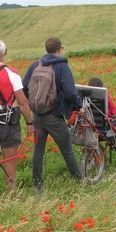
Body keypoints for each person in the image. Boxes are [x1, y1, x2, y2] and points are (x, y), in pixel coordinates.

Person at [22, 36, 83, 191]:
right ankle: (79, 181)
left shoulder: (36, 64)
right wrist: (78, 106)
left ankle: (38, 185)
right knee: (67, 149)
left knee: (38, 151)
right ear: (59, 49)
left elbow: (24, 87)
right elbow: (70, 92)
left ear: (46, 49)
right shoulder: (62, 66)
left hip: (37, 115)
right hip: (54, 116)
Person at [0, 39, 34, 196]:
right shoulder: (12, 73)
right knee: (9, 160)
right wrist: (29, 123)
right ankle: (11, 195)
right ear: (6, 52)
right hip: (6, 123)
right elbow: (22, 102)